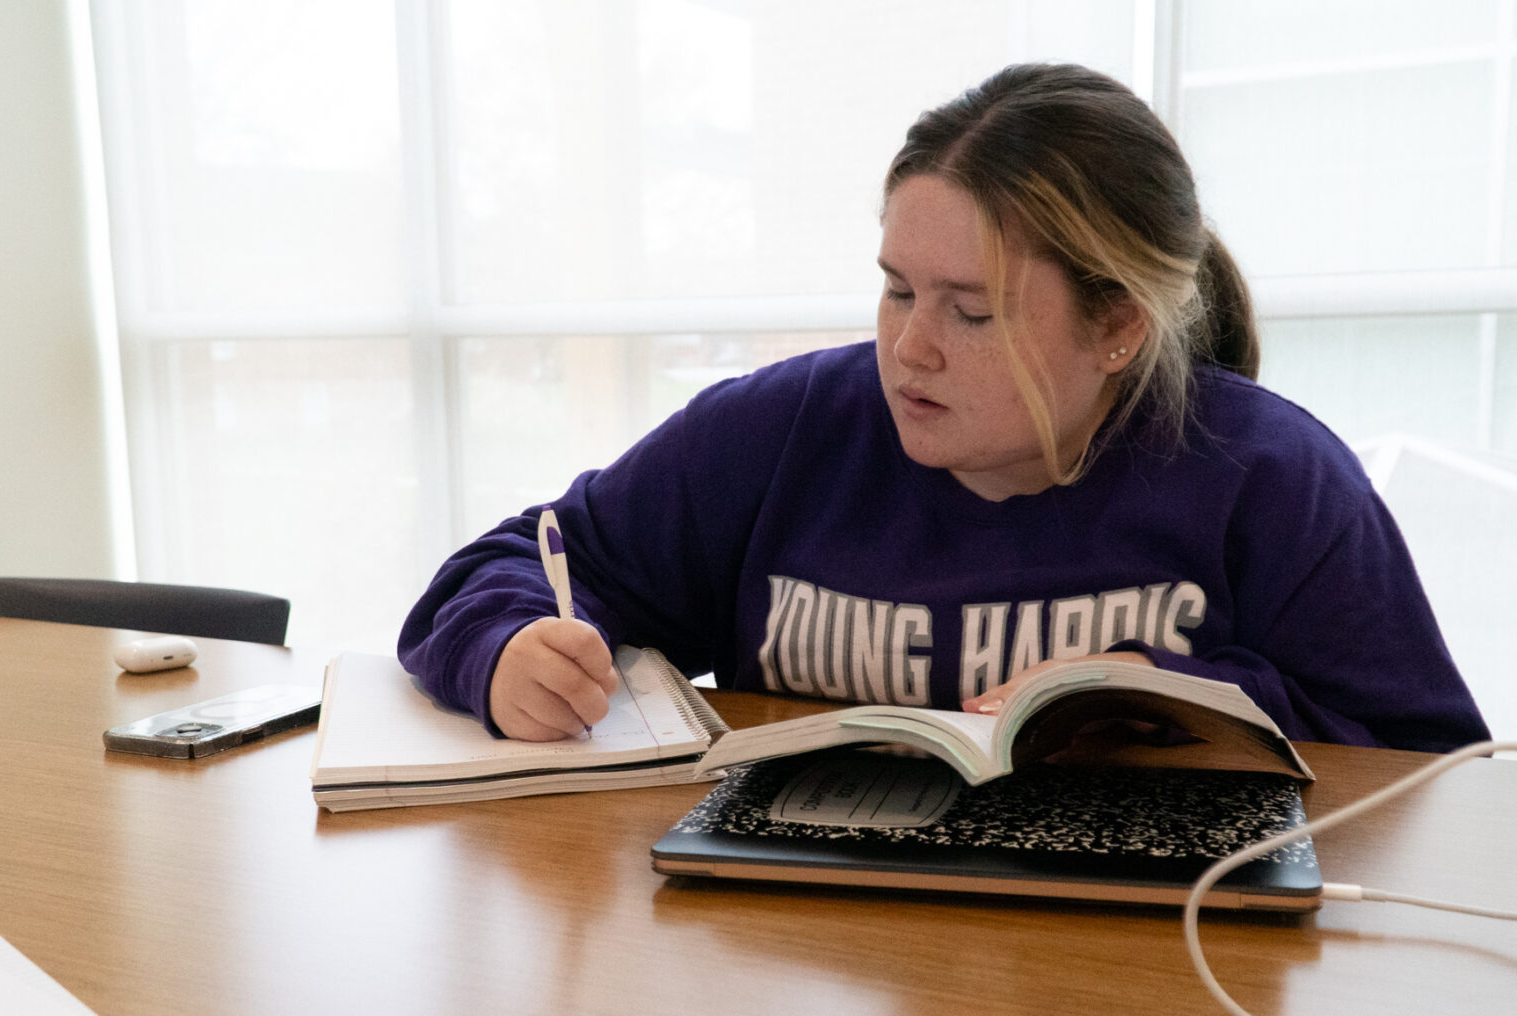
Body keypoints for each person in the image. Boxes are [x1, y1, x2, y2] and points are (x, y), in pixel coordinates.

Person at [399, 62, 1489, 753]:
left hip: (1145, 972)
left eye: (972, 312)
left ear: (1117, 327)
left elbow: (1429, 772)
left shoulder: (1268, 475)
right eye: (895, 288)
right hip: (805, 962)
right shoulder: (786, 431)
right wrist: (503, 651)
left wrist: (1179, 698)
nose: (908, 348)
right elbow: (522, 557)